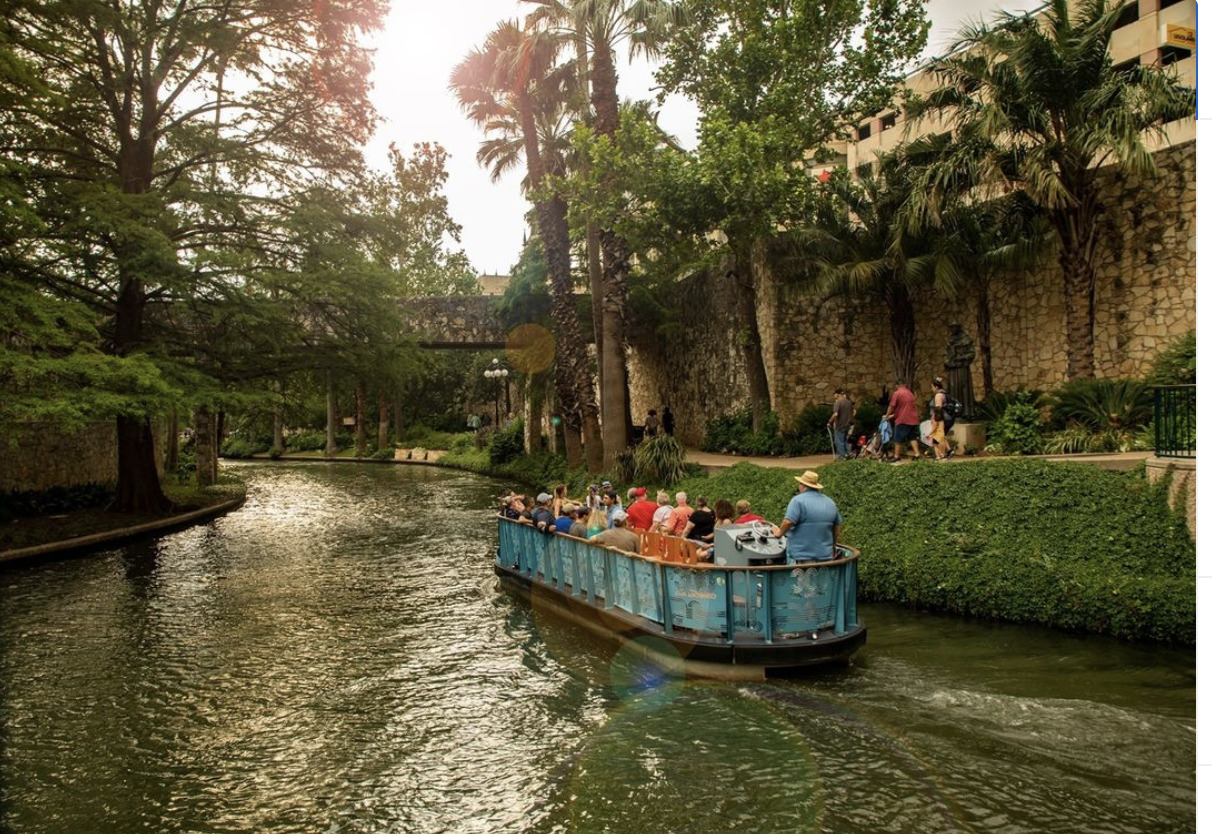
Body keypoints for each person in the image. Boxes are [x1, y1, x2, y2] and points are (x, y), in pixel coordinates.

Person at [776, 470, 842, 562]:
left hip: (803, 556)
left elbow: (788, 522)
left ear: (803, 485)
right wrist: (833, 545)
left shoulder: (797, 501)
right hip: (826, 555)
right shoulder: (830, 502)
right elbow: (836, 526)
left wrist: (779, 533)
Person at [884, 378, 922, 462]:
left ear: (897, 385)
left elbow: (892, 406)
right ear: (905, 385)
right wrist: (892, 416)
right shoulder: (910, 393)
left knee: (897, 438)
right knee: (912, 437)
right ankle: (917, 454)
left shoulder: (897, 393)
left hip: (903, 419)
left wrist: (887, 415)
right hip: (913, 419)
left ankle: (896, 456)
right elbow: (906, 408)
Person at [827, 387, 854, 461]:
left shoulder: (837, 402)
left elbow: (835, 414)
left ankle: (841, 457)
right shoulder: (848, 402)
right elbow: (852, 412)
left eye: (834, 394)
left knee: (839, 441)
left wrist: (830, 422)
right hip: (848, 424)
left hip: (840, 425)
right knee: (845, 440)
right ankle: (849, 454)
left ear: (837, 394)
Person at [929, 378, 954, 459]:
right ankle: (949, 450)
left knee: (939, 438)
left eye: (932, 387)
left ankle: (941, 455)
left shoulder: (938, 395)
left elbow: (938, 409)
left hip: (942, 419)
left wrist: (934, 419)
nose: (931, 389)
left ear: (936, 387)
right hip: (946, 418)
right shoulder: (944, 393)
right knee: (941, 436)